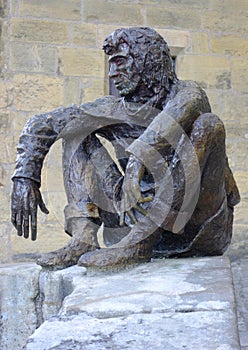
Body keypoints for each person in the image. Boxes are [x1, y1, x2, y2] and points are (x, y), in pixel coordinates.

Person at [11, 27, 240, 269]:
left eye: (120, 62)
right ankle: (83, 240)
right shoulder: (112, 108)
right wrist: (25, 177)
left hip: (193, 226)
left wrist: (137, 161)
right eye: (111, 64)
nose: (112, 73)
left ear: (147, 61)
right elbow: (42, 124)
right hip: (129, 215)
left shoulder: (187, 94)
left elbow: (178, 113)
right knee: (76, 133)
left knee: (209, 126)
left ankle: (141, 242)